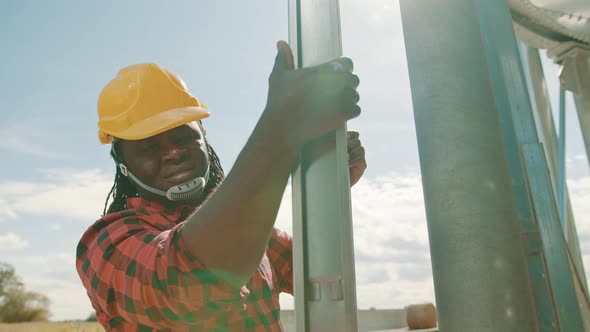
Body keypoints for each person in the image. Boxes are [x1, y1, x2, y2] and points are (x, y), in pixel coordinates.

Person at [76, 41, 366, 331]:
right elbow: (186, 281)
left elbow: (320, 270)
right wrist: (282, 128)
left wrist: (327, 189)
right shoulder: (106, 243)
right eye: (149, 148)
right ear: (124, 166)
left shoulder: (254, 229)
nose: (174, 153)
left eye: (183, 138)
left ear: (205, 142)